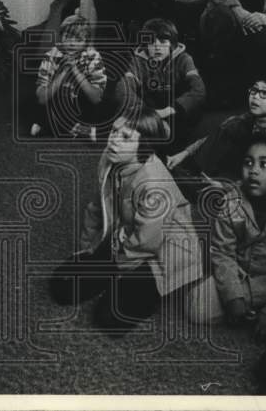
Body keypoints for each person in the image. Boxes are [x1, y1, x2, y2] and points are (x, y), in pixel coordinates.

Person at [48, 107, 203, 333]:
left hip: (164, 251)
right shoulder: (109, 158)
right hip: (127, 237)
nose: (114, 140)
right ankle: (119, 278)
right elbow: (96, 207)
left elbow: (146, 243)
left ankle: (145, 289)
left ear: (145, 144)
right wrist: (89, 249)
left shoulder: (154, 185)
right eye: (113, 131)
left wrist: (113, 265)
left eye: (126, 137)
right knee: (62, 287)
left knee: (109, 320)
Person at [188, 135, 266, 337]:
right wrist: (233, 297)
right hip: (240, 277)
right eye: (248, 163)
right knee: (197, 309)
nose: (253, 170)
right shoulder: (231, 201)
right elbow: (222, 252)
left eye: (264, 165)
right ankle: (244, 309)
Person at [168, 71, 266, 182]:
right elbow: (221, 130)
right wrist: (184, 154)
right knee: (231, 125)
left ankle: (217, 183)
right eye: (254, 90)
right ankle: (200, 173)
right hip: (253, 150)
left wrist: (231, 188)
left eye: (264, 93)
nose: (255, 97)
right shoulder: (255, 115)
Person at [114, 18, 205, 145]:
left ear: (172, 43)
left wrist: (169, 110)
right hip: (150, 110)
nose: (157, 47)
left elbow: (198, 90)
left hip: (176, 110)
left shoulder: (184, 59)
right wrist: (145, 113)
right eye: (151, 42)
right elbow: (123, 88)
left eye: (163, 42)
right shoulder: (139, 60)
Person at [30, 14, 106, 140]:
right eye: (67, 37)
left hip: (81, 103)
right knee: (38, 101)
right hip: (58, 100)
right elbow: (42, 98)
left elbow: (96, 98)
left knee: (105, 107)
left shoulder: (93, 56)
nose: (71, 44)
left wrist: (75, 70)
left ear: (86, 42)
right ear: (61, 37)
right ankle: (76, 128)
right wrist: (64, 71)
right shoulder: (51, 55)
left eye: (78, 40)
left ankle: (53, 125)